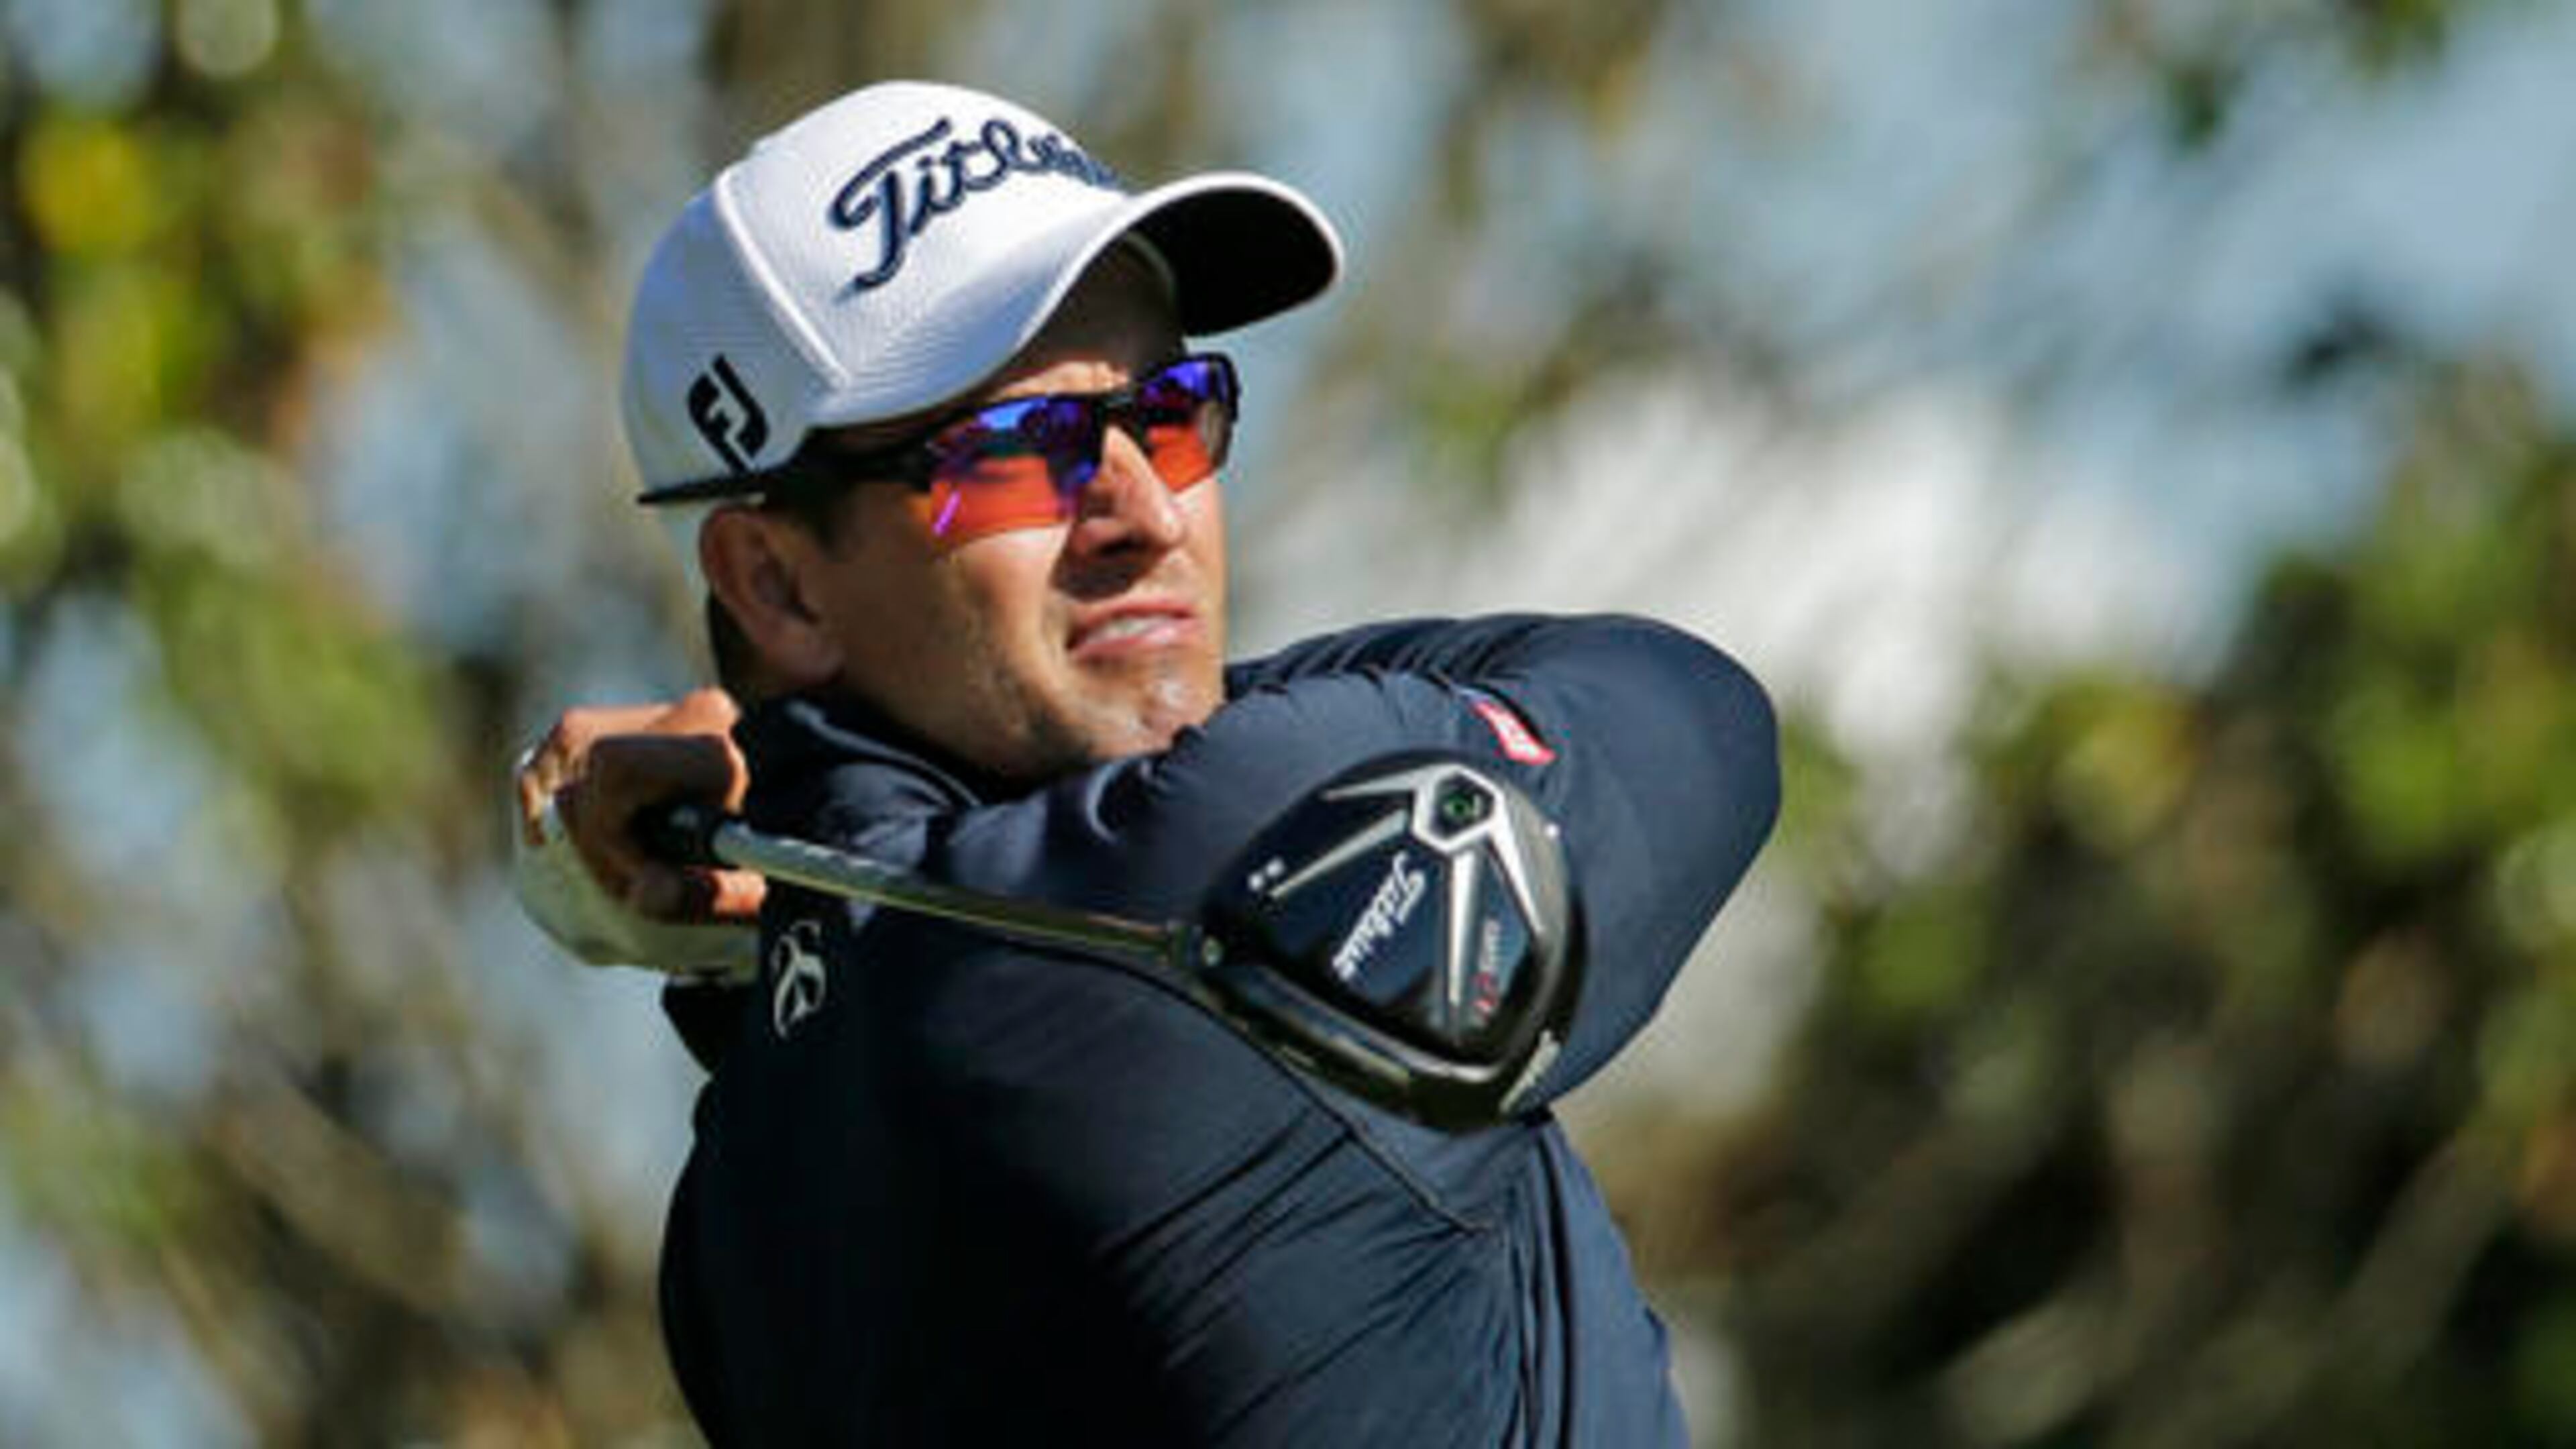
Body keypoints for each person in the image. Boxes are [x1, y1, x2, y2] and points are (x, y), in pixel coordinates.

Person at [512, 79, 1780, 1446]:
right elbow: (1691, 711)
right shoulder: (1204, 876)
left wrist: (749, 868)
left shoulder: (736, 1218)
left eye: (1170, 410)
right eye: (1015, 453)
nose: (1145, 511)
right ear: (778, 586)